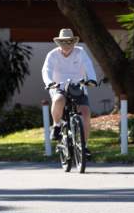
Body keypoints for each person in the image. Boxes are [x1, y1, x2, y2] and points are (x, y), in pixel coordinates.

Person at [42, 28, 98, 156]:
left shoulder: (80, 52)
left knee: (85, 113)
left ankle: (84, 146)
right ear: (59, 43)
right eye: (63, 42)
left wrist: (92, 79)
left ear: (73, 42)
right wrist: (49, 83)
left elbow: (88, 65)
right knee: (58, 100)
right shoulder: (52, 54)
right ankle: (56, 125)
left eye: (69, 42)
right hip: (59, 87)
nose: (66, 45)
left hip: (77, 86)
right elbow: (46, 70)